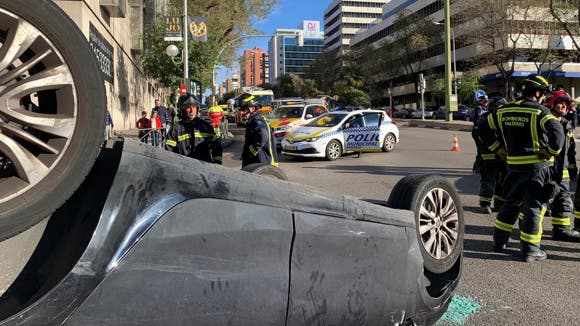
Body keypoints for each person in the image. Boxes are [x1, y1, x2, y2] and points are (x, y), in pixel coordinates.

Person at [478, 74, 564, 262]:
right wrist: (550, 151)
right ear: (538, 92)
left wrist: (497, 149)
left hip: (513, 168)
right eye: (543, 94)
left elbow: (480, 128)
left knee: (510, 204)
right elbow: (558, 133)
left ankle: (499, 242)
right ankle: (531, 250)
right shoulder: (540, 112)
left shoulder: (503, 111)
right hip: (536, 170)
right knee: (533, 207)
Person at [542, 90, 580, 242]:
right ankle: (528, 229)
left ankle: (561, 230)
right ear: (551, 103)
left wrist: (573, 170)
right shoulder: (544, 122)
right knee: (540, 202)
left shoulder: (567, 125)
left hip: (562, 172)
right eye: (560, 103)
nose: (564, 106)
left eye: (566, 104)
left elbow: (571, 151)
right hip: (545, 169)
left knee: (564, 202)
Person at [472, 96, 508, 214]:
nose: (501, 109)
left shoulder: (506, 118)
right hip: (489, 155)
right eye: (499, 107)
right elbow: (479, 135)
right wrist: (496, 148)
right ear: (493, 107)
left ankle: (499, 203)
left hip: (504, 156)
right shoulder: (485, 119)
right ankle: (485, 204)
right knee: (489, 180)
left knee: (502, 181)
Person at [165, 93, 222, 164]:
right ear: (182, 109)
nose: (192, 111)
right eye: (188, 107)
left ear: (197, 108)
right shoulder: (175, 129)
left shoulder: (206, 127)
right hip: (184, 170)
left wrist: (217, 165)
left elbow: (217, 146)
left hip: (205, 170)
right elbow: (169, 152)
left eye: (194, 107)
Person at [239, 95, 278, 168]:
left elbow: (263, 137)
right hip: (256, 162)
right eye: (240, 110)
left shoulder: (257, 121)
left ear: (253, 109)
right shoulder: (252, 121)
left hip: (262, 163)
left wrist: (250, 153)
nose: (241, 113)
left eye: (243, 110)